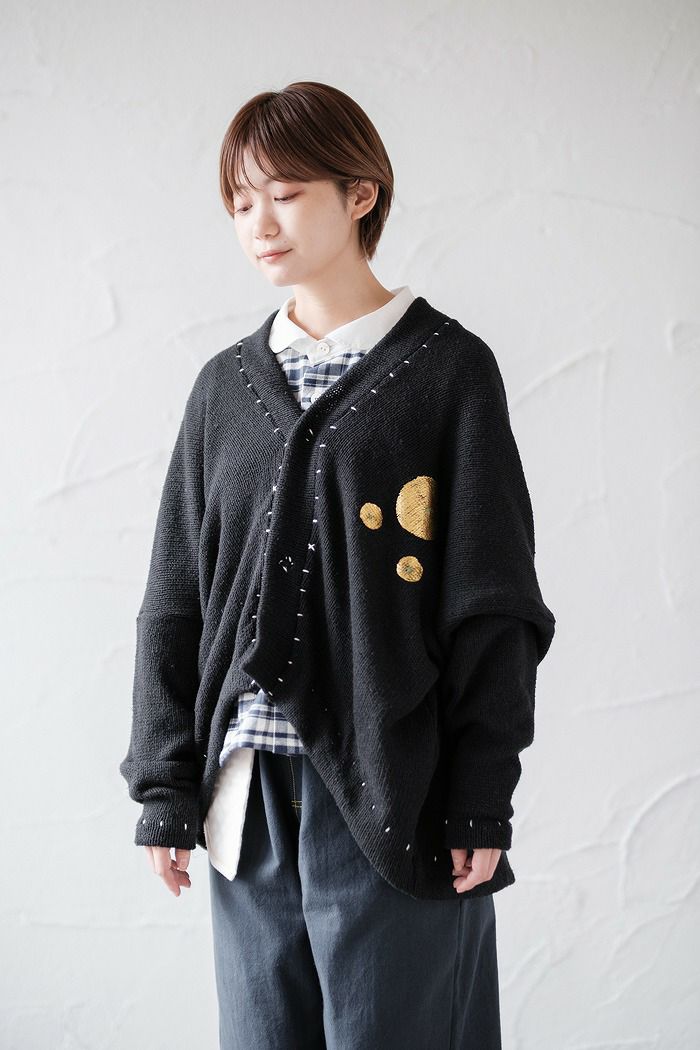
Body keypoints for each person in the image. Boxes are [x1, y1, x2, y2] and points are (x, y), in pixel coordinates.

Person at [119, 80, 556, 1049]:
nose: (259, 224)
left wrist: (481, 797)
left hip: (395, 791)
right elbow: (176, 600)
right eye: (239, 202)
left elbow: (491, 603)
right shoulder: (223, 389)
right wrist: (165, 786)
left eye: (283, 194)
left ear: (360, 194)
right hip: (244, 803)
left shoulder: (448, 372)